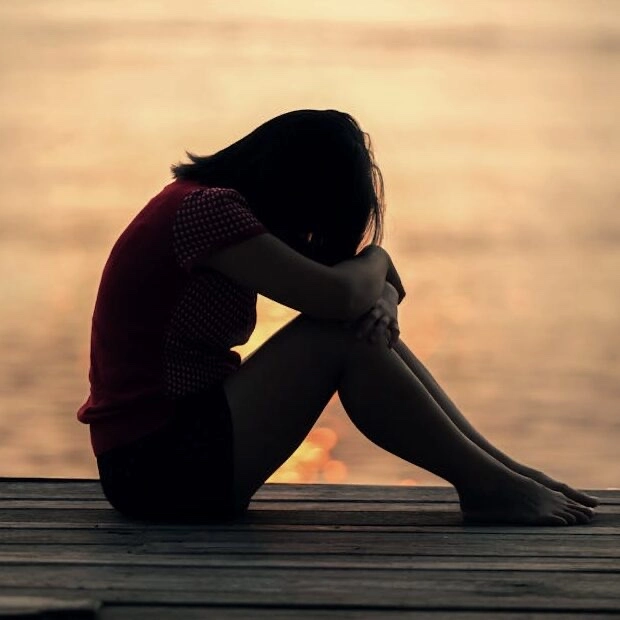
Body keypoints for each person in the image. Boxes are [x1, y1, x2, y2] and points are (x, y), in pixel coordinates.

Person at [78, 109, 598, 525]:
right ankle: (490, 486)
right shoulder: (208, 212)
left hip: (167, 457)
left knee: (350, 328)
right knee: (336, 335)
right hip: (156, 468)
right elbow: (342, 295)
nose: (310, 232)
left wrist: (383, 299)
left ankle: (501, 473)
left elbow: (365, 292)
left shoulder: (207, 207)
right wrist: (376, 260)